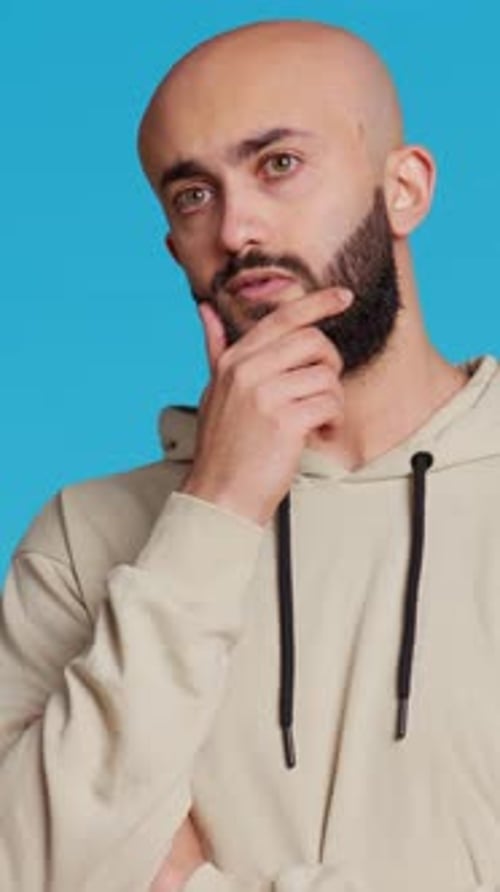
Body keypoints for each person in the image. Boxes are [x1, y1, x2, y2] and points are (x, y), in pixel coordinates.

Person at [1, 17, 500, 892]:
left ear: (406, 189)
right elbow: (24, 872)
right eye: (193, 194)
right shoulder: (83, 540)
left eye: (278, 164)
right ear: (172, 245)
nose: (237, 230)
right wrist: (216, 508)